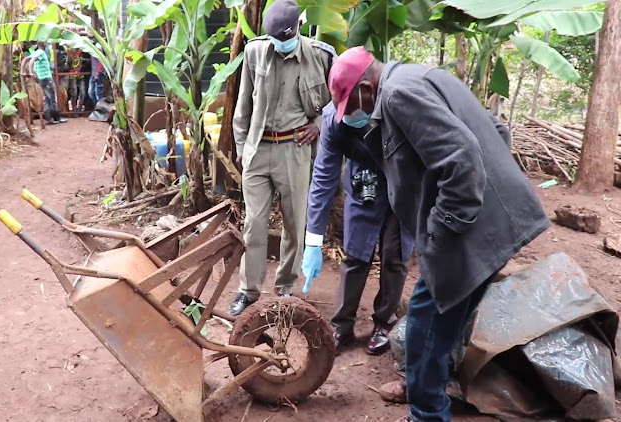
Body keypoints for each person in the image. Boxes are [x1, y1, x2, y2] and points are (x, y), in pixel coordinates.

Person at [327, 47, 550, 422]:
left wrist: (441, 231)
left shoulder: (398, 94)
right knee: (448, 317)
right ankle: (431, 391)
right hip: (485, 219)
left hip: (464, 228)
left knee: (423, 331)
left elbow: (461, 157)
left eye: (350, 105)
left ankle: (427, 413)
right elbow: (495, 131)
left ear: (367, 87)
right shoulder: (422, 74)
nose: (350, 115)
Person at [229, 0, 336, 316]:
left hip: (295, 150)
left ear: (298, 29)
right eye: (276, 38)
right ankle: (248, 292)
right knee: (255, 224)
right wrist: (240, 149)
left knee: (293, 224)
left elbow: (335, 103)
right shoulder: (255, 52)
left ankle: (285, 290)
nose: (281, 45)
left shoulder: (321, 57)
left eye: (286, 39)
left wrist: (317, 126)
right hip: (258, 149)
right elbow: (242, 106)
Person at [302, 102, 414, 355]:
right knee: (355, 254)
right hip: (364, 184)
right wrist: (313, 239)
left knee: (395, 256)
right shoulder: (332, 120)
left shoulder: (397, 107)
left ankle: (385, 323)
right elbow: (323, 176)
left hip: (403, 185)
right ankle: (342, 326)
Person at [21, 41, 67, 124]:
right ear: (44, 45)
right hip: (46, 78)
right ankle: (57, 117)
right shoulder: (41, 52)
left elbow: (25, 60)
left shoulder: (36, 52)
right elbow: (32, 60)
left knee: (46, 98)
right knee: (53, 98)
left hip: (41, 79)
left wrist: (22, 71)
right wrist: (31, 72)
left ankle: (48, 118)